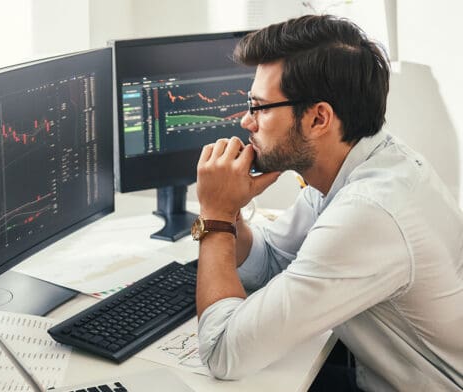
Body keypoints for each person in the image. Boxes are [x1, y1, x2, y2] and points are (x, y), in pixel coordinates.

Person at [193, 14, 463, 391]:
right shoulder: (357, 164)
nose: (247, 122)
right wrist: (231, 210)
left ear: (319, 118)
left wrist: (216, 218)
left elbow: (224, 353)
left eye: (261, 107)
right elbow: (270, 261)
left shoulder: (369, 212)